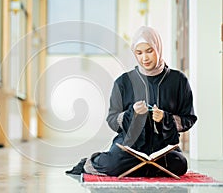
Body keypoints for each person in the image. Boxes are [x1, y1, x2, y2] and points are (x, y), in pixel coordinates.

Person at [66, 26, 197, 177]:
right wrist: (131, 114)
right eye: (139, 53)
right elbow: (112, 119)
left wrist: (165, 118)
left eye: (149, 51)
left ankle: (136, 168)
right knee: (114, 163)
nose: (145, 58)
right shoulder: (123, 82)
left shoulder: (178, 80)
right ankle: (95, 162)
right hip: (129, 147)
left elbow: (189, 118)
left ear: (158, 48)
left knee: (179, 164)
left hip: (163, 148)